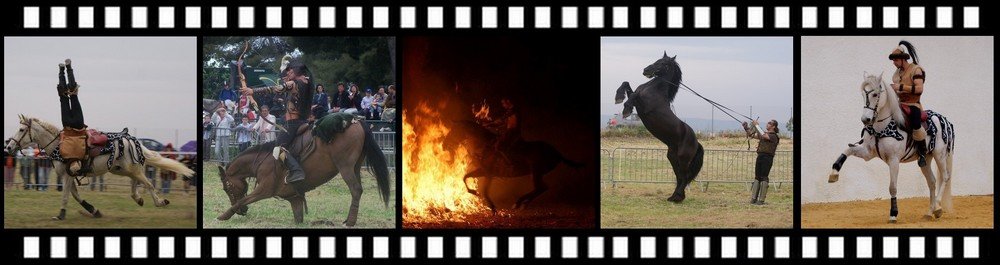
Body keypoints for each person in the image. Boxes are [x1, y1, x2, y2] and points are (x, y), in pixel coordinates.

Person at [242, 61, 314, 197]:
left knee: (278, 149)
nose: (289, 73)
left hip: (293, 123)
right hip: (298, 120)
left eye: (291, 71)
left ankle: (296, 171)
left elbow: (276, 88)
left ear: (298, 72)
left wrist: (252, 91)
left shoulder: (295, 83)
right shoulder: (305, 82)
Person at [889, 40, 929, 167]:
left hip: (913, 105)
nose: (894, 63)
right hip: (900, 104)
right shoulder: (896, 74)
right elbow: (897, 92)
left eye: (895, 60)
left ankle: (922, 151)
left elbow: (919, 89)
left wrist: (900, 87)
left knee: (916, 121)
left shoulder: (916, 70)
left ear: (902, 59)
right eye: (893, 60)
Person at [56, 59, 90, 176]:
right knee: (63, 97)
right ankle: (61, 70)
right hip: (67, 126)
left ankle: (68, 68)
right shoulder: (64, 154)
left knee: (74, 95)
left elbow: (88, 142)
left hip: (79, 125)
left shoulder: (82, 155)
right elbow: (61, 140)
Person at [743, 119, 781, 205]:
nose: (767, 124)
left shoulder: (773, 136)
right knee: (757, 177)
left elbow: (764, 136)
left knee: (764, 177)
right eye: (768, 122)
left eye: (770, 123)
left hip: (767, 158)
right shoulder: (764, 134)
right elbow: (752, 135)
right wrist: (746, 128)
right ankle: (753, 198)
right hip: (760, 156)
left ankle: (761, 200)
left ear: (773, 126)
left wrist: (756, 125)